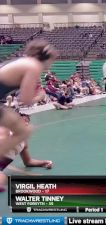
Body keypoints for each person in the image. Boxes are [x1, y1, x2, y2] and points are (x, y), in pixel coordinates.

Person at [0, 39, 57, 187]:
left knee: (22, 131)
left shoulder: (24, 62)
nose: (51, 63)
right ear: (45, 56)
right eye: (52, 59)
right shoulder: (34, 66)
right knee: (23, 132)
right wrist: (40, 96)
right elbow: (25, 100)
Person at [0, 113, 52, 191]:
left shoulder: (23, 142)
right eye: (22, 121)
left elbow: (28, 161)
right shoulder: (5, 133)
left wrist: (44, 162)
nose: (26, 123)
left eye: (27, 121)